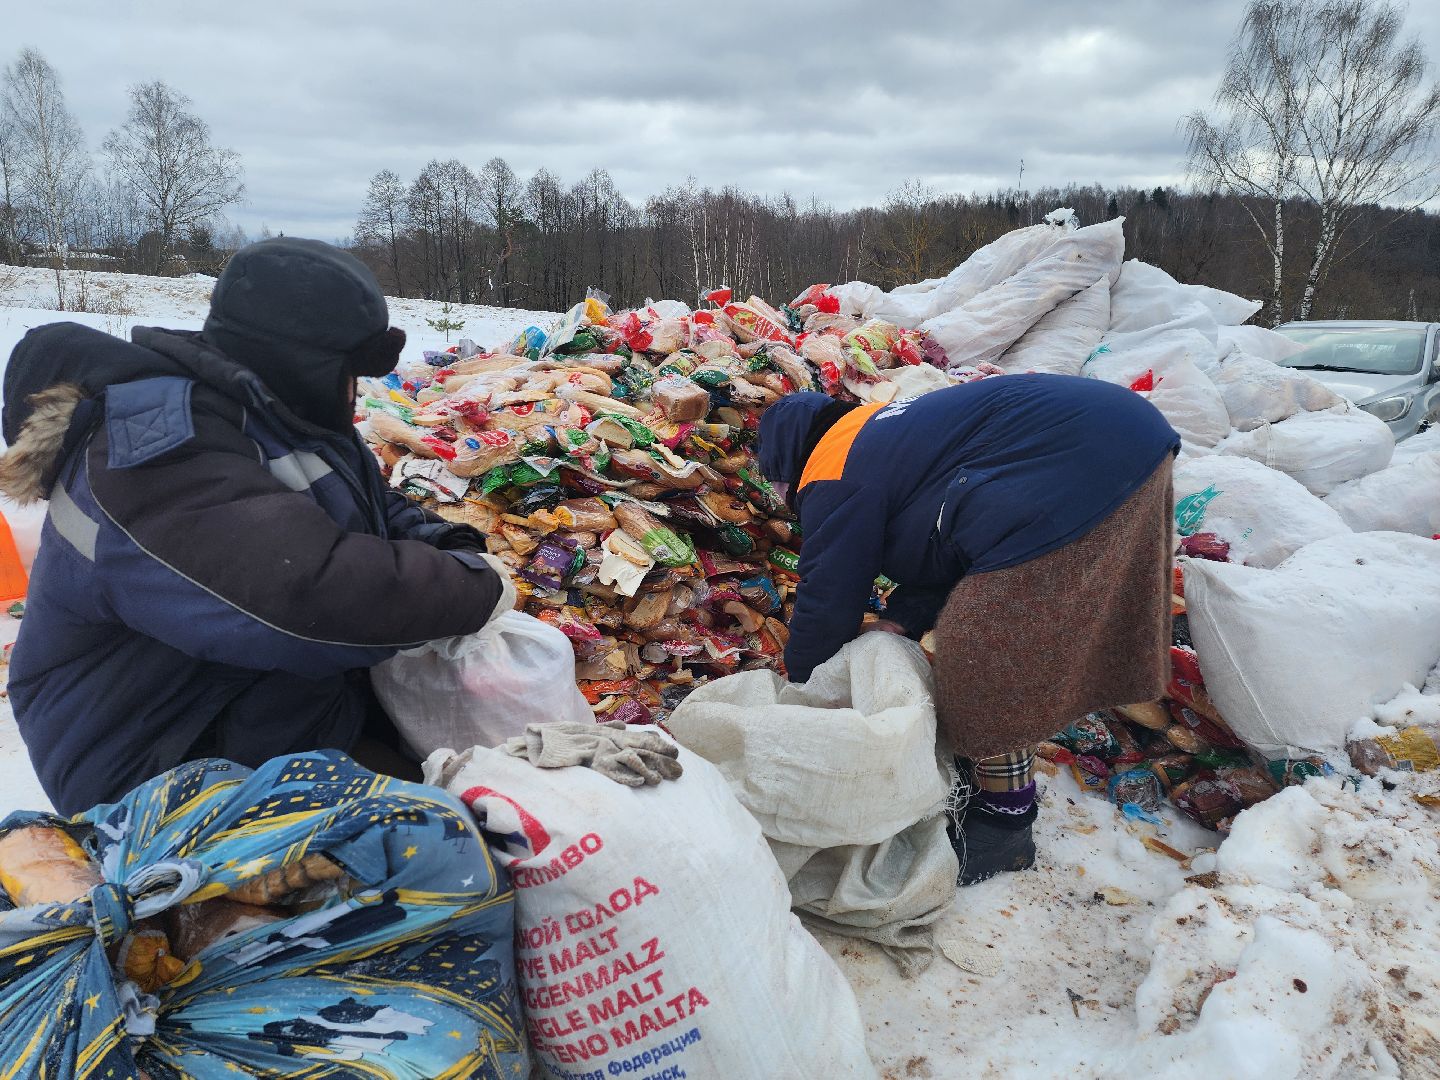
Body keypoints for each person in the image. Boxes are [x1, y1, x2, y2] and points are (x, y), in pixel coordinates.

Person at [0, 238, 514, 815]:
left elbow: (360, 501)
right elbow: (307, 594)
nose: (356, 390)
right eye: (350, 371)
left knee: (501, 793)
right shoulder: (153, 448)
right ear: (307, 363)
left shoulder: (272, 415)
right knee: (458, 852)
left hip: (264, 713)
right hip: (160, 760)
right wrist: (474, 589)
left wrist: (442, 541)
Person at [757, 375, 1180, 884]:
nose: (787, 498)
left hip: (1088, 452)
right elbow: (955, 546)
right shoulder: (881, 437)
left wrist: (808, 690)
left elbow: (829, 594)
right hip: (1126, 441)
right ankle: (997, 775)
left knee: (982, 644)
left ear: (786, 456)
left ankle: (1004, 828)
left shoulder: (833, 468)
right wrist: (902, 619)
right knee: (995, 619)